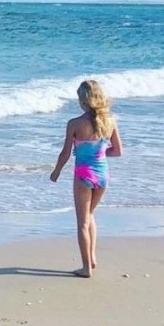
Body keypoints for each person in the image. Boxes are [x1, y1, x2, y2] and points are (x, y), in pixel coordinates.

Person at [50, 79, 123, 278]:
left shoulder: (74, 124)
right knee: (90, 216)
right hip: (102, 176)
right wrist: (98, 154)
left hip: (83, 175)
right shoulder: (110, 121)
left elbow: (65, 153)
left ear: (83, 101)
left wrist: (56, 172)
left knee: (82, 222)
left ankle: (85, 268)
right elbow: (117, 151)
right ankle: (91, 258)